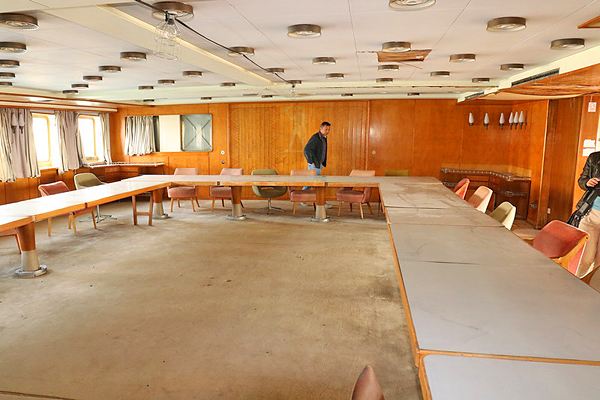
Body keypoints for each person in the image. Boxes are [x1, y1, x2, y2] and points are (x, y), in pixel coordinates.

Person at [575, 151, 600, 278]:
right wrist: (587, 182)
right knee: (585, 258)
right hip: (591, 214)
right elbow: (582, 180)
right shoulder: (594, 158)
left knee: (598, 265)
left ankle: (593, 288)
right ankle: (576, 284)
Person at [302, 121, 331, 206]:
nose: (327, 131)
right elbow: (306, 149)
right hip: (314, 164)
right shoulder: (316, 137)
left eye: (329, 130)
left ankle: (301, 198)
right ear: (320, 129)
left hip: (319, 163)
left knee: (312, 182)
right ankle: (320, 202)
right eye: (326, 129)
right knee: (315, 183)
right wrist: (311, 161)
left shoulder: (323, 137)